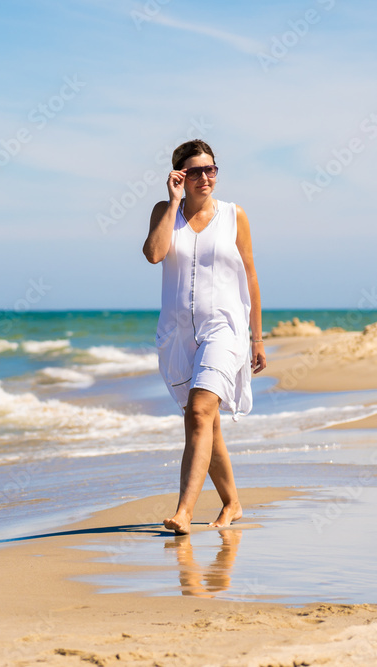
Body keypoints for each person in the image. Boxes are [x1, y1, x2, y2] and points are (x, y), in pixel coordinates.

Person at [142, 139, 267, 535]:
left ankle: (183, 511)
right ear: (179, 175)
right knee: (205, 423)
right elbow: (154, 253)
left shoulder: (234, 215)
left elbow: (250, 274)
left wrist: (257, 338)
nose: (205, 177)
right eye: (194, 171)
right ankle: (232, 503)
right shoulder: (166, 212)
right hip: (178, 335)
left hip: (224, 329)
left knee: (199, 412)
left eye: (211, 169)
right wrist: (174, 202)